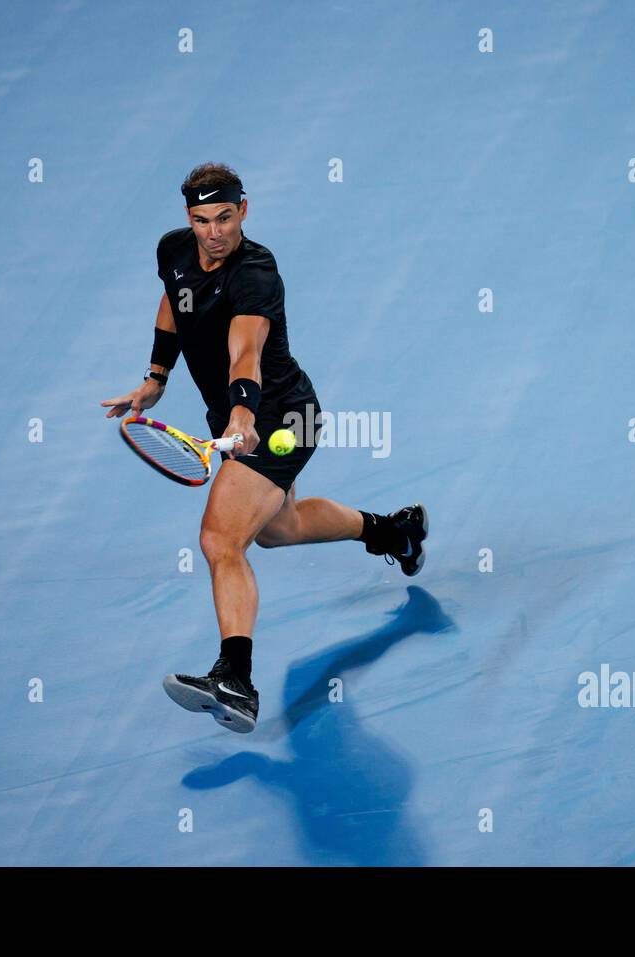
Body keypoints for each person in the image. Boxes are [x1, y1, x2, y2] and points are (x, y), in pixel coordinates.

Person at [101, 162, 427, 734]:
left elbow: (245, 350)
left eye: (225, 217)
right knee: (281, 528)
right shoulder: (173, 251)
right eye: (202, 220)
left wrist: (244, 412)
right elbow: (172, 304)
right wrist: (156, 376)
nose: (214, 232)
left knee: (219, 539)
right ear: (187, 219)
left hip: (280, 416)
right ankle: (393, 531)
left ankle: (236, 680)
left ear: (243, 210)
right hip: (241, 419)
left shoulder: (255, 273)